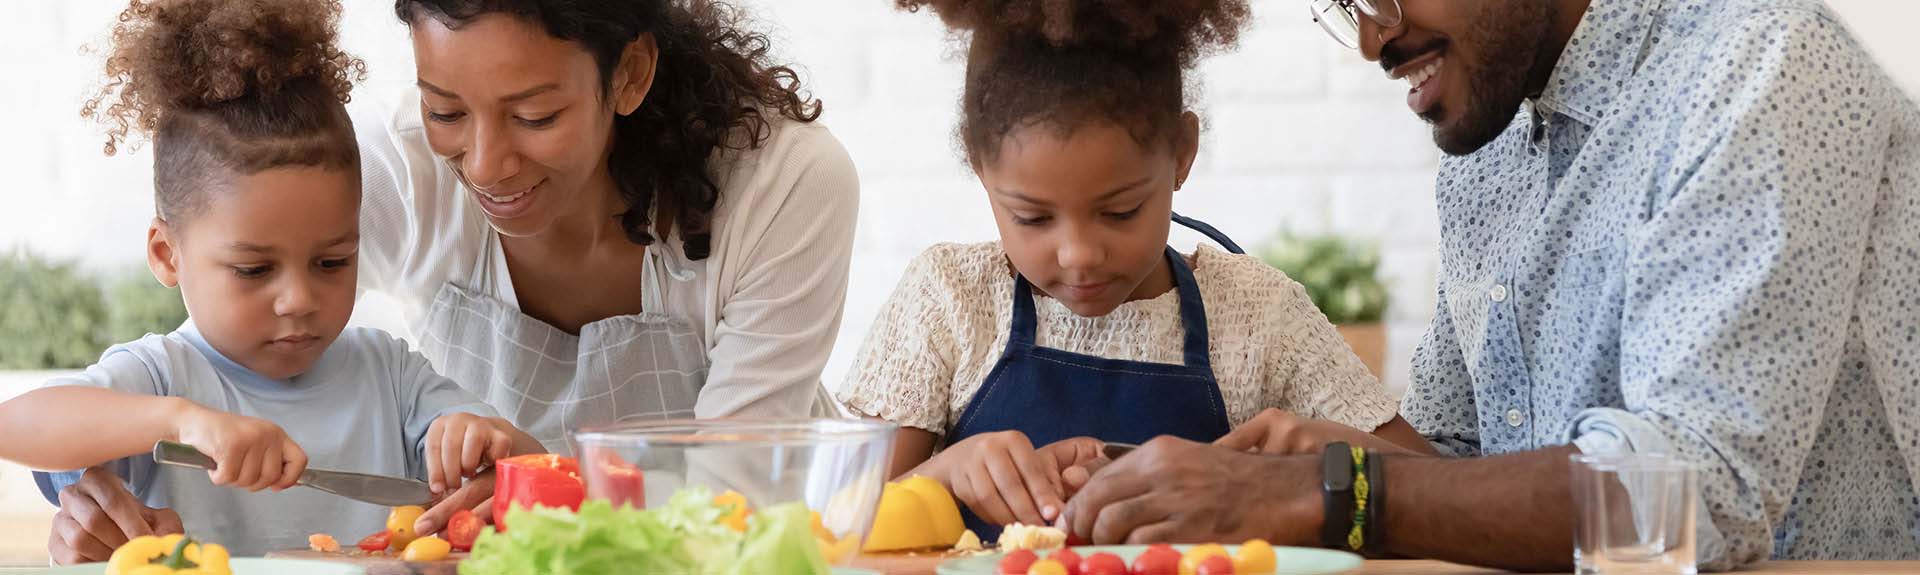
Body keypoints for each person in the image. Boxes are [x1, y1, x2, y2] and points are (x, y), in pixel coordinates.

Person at [1060, 0, 1920, 570]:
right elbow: (1463, 473)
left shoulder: (1763, 65)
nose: (1373, 38)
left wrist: (1327, 490)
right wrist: (1318, 462)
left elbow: (1697, 502)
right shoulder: (1490, 159)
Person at [48, 0, 862, 559]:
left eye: (535, 116)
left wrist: (539, 485)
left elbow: (739, 484)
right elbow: (243, 314)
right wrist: (107, 482)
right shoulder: (392, 169)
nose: (485, 164)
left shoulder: (785, 182)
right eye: (445, 110)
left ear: (629, 75)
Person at [836, 0, 1433, 541]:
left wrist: (1323, 460)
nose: (1079, 254)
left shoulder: (1259, 314)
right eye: (1032, 218)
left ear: (1181, 153)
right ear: (979, 165)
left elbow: (1441, 490)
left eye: (1120, 211)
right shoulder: (949, 299)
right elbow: (831, 523)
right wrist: (943, 475)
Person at [1, 0, 542, 560]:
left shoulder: (392, 377)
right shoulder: (160, 378)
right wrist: (183, 422)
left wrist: (485, 443)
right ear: (167, 255)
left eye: (333, 262)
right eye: (254, 270)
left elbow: (533, 468)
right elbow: (13, 426)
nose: (300, 300)